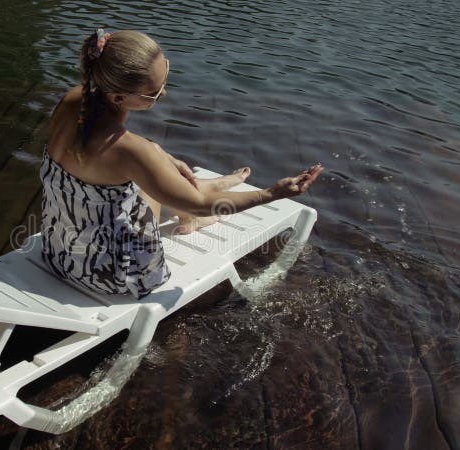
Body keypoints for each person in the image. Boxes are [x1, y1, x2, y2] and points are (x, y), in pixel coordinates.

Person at [40, 28, 323, 299]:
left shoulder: (75, 100)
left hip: (58, 251)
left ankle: (199, 192)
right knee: (162, 177)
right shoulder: (129, 152)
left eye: (165, 76)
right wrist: (272, 193)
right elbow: (198, 201)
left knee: (151, 153)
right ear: (118, 97)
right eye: (153, 93)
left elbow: (108, 159)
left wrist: (161, 156)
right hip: (109, 273)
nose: (163, 93)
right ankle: (192, 213)